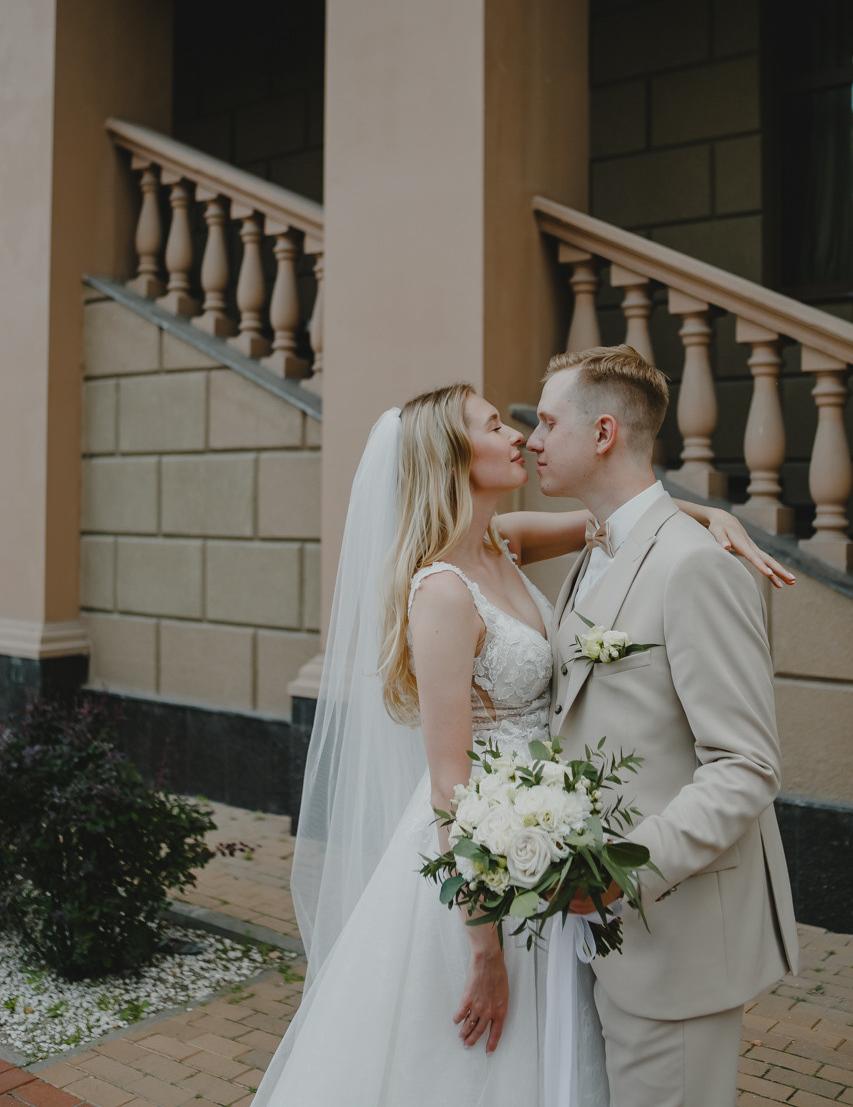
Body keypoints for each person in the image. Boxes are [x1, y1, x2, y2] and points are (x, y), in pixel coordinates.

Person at [253, 381, 794, 1107]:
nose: (517, 436)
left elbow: (622, 515)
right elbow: (448, 785)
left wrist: (713, 515)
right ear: (453, 457)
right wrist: (483, 948)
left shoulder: (503, 541)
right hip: (483, 857)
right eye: (493, 426)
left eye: (526, 424)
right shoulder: (443, 591)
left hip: (549, 841)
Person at [528, 345, 798, 1107]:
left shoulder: (694, 566)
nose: (532, 440)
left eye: (547, 422)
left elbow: (745, 765)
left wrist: (616, 877)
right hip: (591, 938)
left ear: (603, 432)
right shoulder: (595, 548)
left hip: (674, 940)